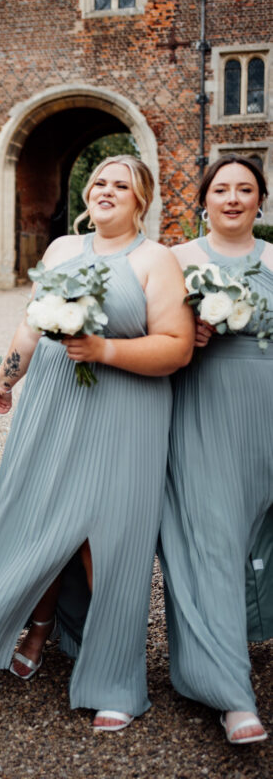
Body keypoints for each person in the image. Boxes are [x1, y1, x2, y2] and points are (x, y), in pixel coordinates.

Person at [0, 156, 194, 731]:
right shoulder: (59, 251)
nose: (106, 191)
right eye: (98, 181)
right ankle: (39, 625)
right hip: (53, 402)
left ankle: (114, 672)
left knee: (108, 540)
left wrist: (106, 350)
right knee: (41, 519)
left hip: (125, 412)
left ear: (141, 199)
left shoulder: (156, 261)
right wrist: (6, 377)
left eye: (120, 185)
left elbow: (176, 347)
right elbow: (30, 322)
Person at [159, 154, 273, 746]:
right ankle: (232, 695)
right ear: (203, 200)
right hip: (203, 410)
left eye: (245, 189)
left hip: (268, 412)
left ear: (261, 199)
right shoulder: (178, 260)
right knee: (211, 540)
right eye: (221, 189)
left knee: (259, 539)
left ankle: (253, 628)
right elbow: (147, 329)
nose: (233, 198)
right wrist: (186, 333)